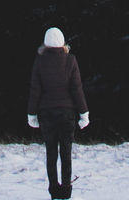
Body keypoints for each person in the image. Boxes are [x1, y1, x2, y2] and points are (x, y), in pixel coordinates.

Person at [27, 26, 89, 199]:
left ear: (45, 44)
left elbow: (35, 90)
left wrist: (31, 114)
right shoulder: (71, 60)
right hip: (67, 114)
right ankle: (66, 192)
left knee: (51, 153)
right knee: (66, 153)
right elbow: (77, 89)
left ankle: (54, 192)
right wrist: (84, 112)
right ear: (63, 43)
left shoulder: (39, 61)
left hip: (46, 114)